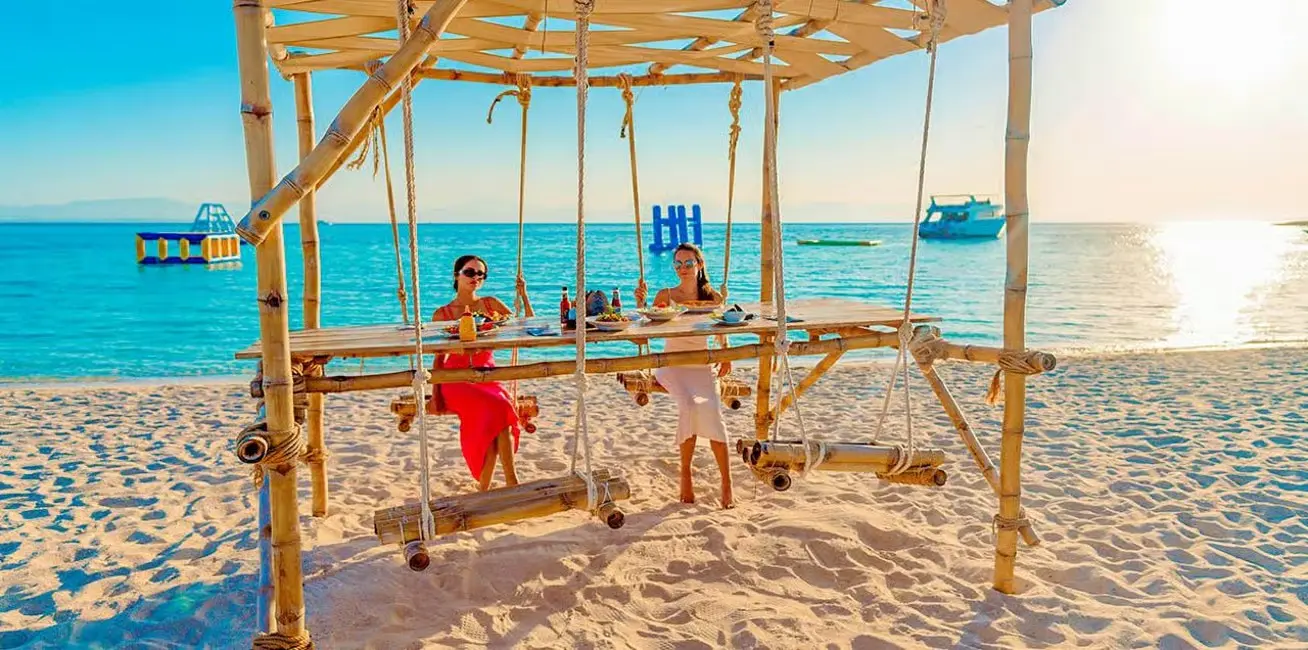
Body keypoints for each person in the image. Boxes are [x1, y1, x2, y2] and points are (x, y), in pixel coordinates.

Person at [634, 243, 734, 509]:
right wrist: (640, 303)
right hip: (672, 364)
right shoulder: (666, 295)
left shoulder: (713, 298)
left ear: (700, 265)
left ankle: (727, 483)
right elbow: (646, 328)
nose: (683, 269)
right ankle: (686, 475)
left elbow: (722, 328)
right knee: (689, 406)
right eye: (678, 264)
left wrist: (726, 354)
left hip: (702, 365)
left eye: (688, 263)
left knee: (712, 411)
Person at [428, 254, 533, 491]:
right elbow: (438, 357)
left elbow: (527, 327)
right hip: (456, 380)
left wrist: (524, 295)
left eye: (480, 274)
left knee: (498, 412)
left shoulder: (490, 305)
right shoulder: (442, 314)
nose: (475, 277)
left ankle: (487, 487)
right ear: (456, 275)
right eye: (469, 272)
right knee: (500, 408)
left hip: (488, 376)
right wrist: (435, 394)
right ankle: (511, 482)